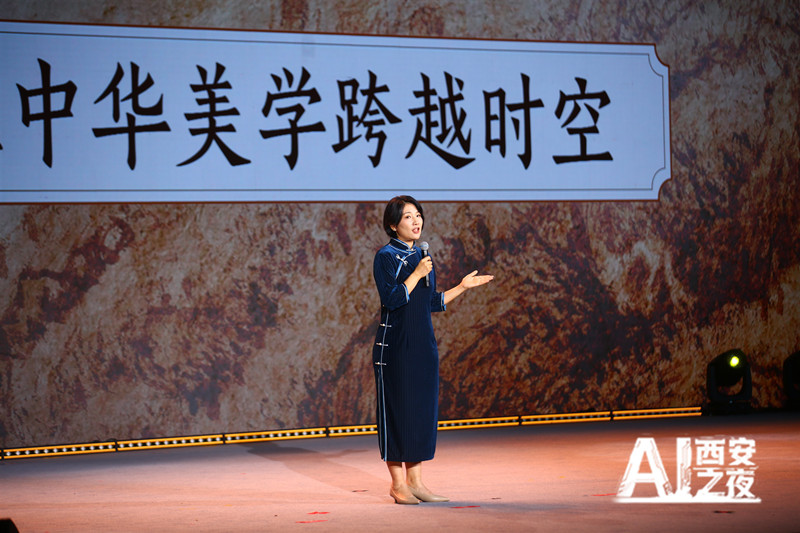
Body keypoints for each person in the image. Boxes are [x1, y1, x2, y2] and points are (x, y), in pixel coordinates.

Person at [372, 195, 494, 505]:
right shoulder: (386, 256)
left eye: (418, 215)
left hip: (422, 345)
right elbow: (392, 299)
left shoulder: (422, 256)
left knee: (419, 413)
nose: (416, 221)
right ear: (393, 225)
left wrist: (462, 287)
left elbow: (430, 303)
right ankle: (397, 484)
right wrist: (415, 273)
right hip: (395, 347)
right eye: (408, 217)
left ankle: (416, 482)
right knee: (397, 412)